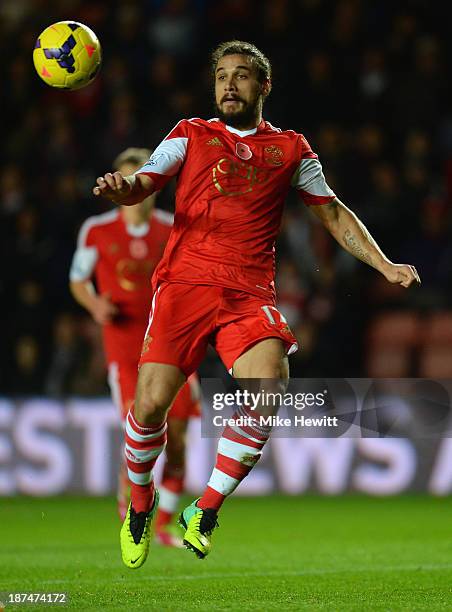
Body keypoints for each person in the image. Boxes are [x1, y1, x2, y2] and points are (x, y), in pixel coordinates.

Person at [93, 41, 420, 568]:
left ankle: (205, 509)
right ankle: (138, 502)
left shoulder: (291, 149)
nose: (228, 84)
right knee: (149, 407)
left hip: (247, 292)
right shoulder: (190, 133)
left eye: (241, 76)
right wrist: (123, 188)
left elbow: (333, 213)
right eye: (221, 75)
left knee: (269, 385)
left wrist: (384, 266)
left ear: (263, 86)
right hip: (184, 285)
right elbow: (145, 181)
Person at [71, 147, 201, 547]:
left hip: (171, 344)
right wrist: (96, 305)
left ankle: (162, 526)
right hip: (125, 349)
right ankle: (130, 515)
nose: (134, 191)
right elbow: (78, 280)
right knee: (140, 431)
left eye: (139, 183)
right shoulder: (96, 229)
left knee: (177, 435)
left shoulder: (175, 228)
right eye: (126, 182)